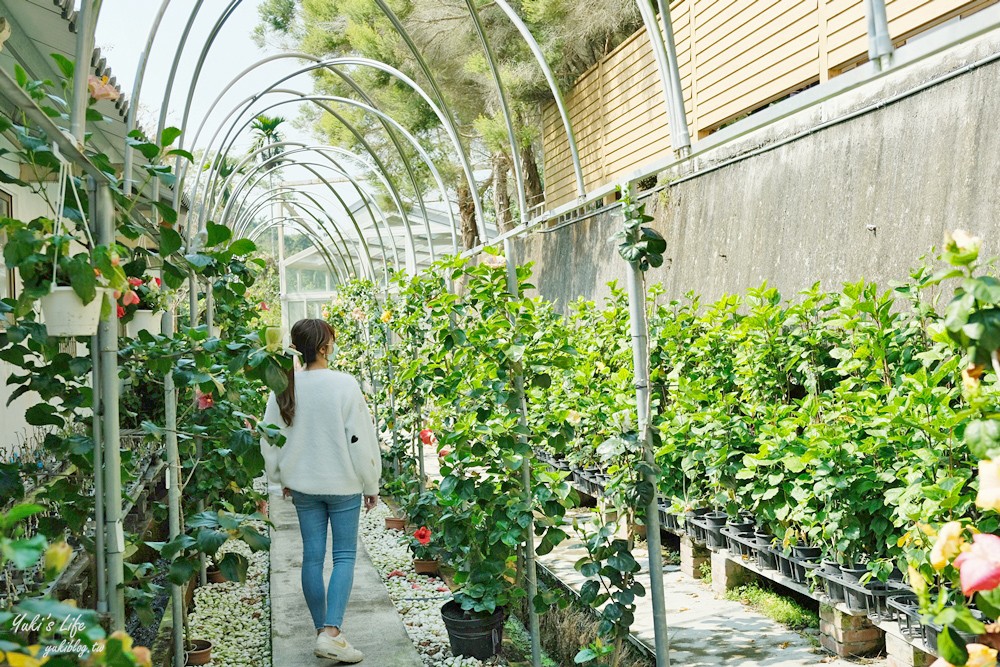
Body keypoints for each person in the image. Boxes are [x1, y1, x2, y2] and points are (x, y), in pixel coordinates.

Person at [260, 318, 381, 663]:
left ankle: (322, 633)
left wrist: (279, 477)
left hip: (303, 487)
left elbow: (270, 438)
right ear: (325, 347)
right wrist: (370, 483)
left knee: (312, 556)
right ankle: (332, 633)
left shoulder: (284, 386)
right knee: (344, 556)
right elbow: (360, 439)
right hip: (343, 484)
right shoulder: (344, 384)